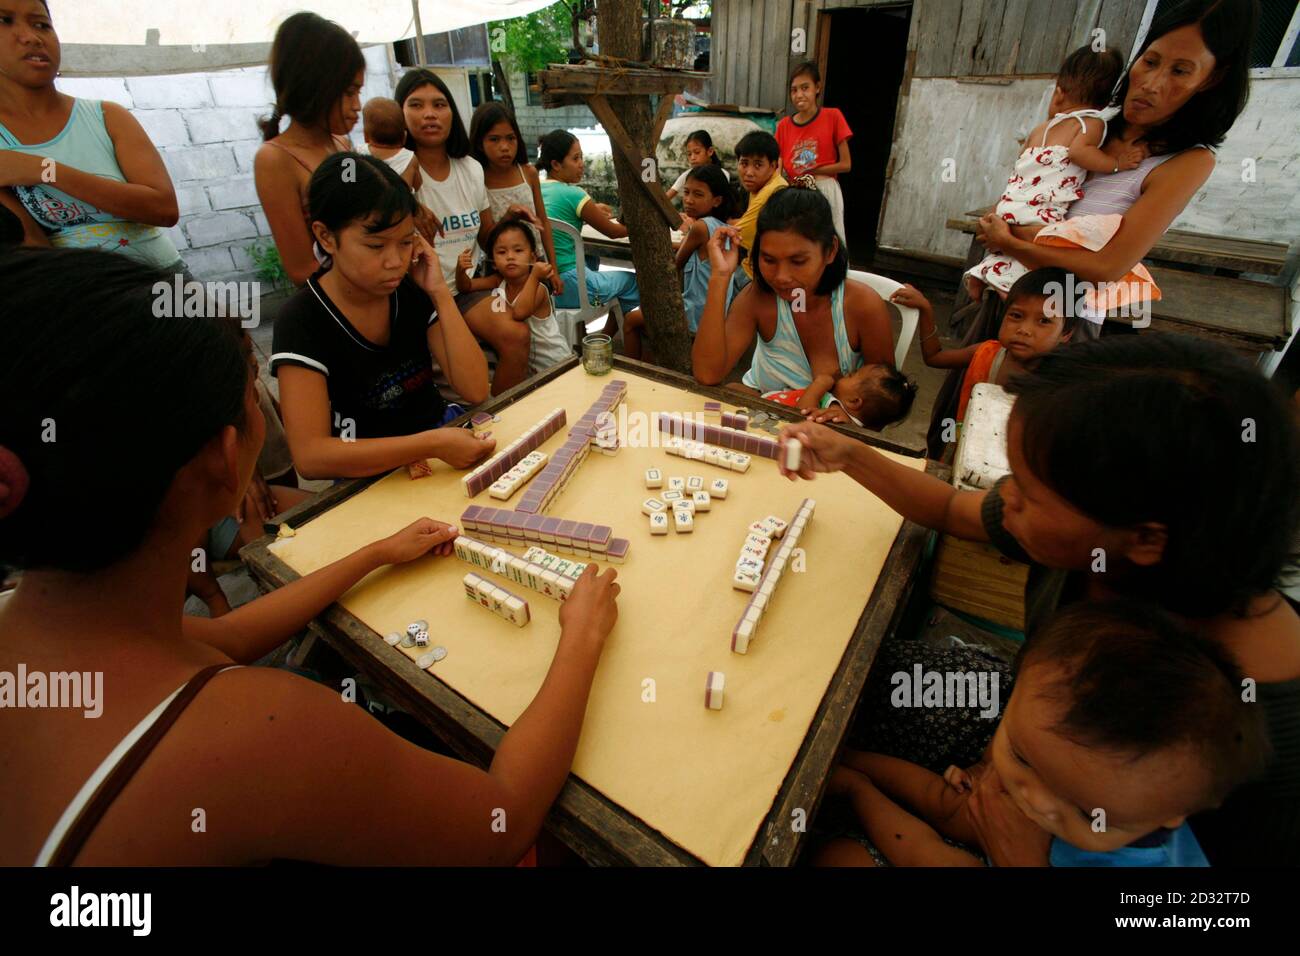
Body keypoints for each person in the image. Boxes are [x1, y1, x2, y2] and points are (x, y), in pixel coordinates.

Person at [0, 246, 622, 866]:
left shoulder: (48, 626)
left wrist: (373, 553)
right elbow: (501, 820)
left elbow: (221, 635)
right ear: (224, 458)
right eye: (254, 386)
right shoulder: (258, 733)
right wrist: (582, 638)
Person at [782, 334, 1300, 867]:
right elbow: (953, 509)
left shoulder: (1269, 752)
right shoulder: (1109, 540)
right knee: (830, 674)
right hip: (1022, 732)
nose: (1004, 495)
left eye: (1027, 492)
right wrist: (850, 454)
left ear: (1146, 537)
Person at [930, 0, 1260, 459]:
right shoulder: (1094, 125)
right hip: (1005, 295)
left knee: (1022, 438)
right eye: (1151, 61)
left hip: (1062, 322)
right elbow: (1031, 187)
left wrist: (1012, 240)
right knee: (961, 405)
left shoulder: (1187, 161)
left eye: (1181, 71)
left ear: (1213, 79)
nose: (1152, 83)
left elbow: (1106, 266)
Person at [816, 601, 1268, 867]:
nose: (1035, 801)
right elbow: (948, 804)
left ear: (1176, 814)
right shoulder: (1088, 785)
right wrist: (849, 761)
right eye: (1023, 757)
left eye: (1085, 811)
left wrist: (859, 792)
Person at [270, 153, 493, 480]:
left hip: (440, 447)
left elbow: (475, 389)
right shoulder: (302, 319)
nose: (395, 261)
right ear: (326, 237)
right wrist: (427, 444)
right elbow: (311, 456)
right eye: (376, 246)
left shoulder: (410, 289)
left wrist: (440, 294)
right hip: (367, 473)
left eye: (405, 243)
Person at [0, 0, 184, 267]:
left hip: (165, 278)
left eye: (42, 25)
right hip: (81, 295)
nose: (32, 37)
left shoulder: (107, 117)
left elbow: (163, 210)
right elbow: (31, 242)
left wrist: (45, 170)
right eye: (4, 21)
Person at [397, 69, 538, 393]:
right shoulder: (393, 171)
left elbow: (486, 234)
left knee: (517, 335)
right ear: (400, 113)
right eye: (416, 105)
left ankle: (500, 417)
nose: (430, 114)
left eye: (440, 104)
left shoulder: (470, 168)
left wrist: (509, 225)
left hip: (468, 289)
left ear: (452, 114)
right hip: (419, 297)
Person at [692, 181, 894, 395]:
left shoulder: (862, 305)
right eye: (769, 260)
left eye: (798, 261)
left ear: (830, 251)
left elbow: (885, 400)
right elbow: (707, 374)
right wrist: (720, 277)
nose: (782, 277)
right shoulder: (758, 298)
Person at [965, 45, 1133, 299]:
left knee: (1003, 249)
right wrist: (1116, 163)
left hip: (1009, 205)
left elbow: (1022, 162)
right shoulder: (1092, 123)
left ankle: (981, 275)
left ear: (1058, 94)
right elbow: (1080, 154)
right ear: (1108, 100)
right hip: (1041, 211)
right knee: (1034, 256)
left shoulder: (1041, 129)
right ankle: (1005, 288)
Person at [253, 11, 364, 287]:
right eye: (350, 92)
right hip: (338, 307)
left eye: (359, 92)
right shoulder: (275, 159)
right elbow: (302, 270)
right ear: (316, 88)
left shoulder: (341, 144)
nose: (358, 105)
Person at [906, 268, 1076, 424]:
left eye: (1044, 321)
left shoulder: (1063, 385)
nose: (1024, 330)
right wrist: (925, 309)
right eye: (1016, 315)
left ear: (1066, 333)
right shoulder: (986, 353)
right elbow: (934, 357)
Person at [536, 129, 646, 360]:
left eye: (581, 157)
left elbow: (569, 211)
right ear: (556, 164)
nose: (581, 164)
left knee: (592, 259)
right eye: (575, 158)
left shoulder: (538, 190)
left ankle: (593, 339)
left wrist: (594, 209)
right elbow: (615, 233)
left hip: (545, 286)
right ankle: (607, 341)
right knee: (633, 281)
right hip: (571, 287)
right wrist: (645, 224)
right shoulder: (574, 194)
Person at [456, 217, 572, 376]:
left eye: (518, 250)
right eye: (502, 252)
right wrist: (460, 271)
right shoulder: (498, 281)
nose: (510, 256)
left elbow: (519, 313)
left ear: (532, 258)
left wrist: (535, 276)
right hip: (532, 370)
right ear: (494, 262)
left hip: (556, 363)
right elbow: (466, 287)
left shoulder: (539, 288)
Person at [468, 101, 562, 297]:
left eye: (510, 138)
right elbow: (485, 239)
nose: (504, 147)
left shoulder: (528, 173)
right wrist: (508, 217)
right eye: (494, 139)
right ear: (479, 142)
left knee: (541, 320)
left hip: (535, 264)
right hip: (500, 270)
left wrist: (553, 267)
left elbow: (543, 222)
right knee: (508, 319)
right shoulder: (476, 179)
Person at [775, 62, 851, 244]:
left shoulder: (833, 117)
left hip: (825, 189)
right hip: (796, 193)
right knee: (801, 244)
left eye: (805, 88)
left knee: (832, 242)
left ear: (817, 88)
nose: (799, 95)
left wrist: (813, 171)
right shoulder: (784, 125)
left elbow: (846, 164)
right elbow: (778, 166)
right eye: (794, 90)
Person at [674, 164, 738, 334]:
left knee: (631, 320)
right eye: (686, 192)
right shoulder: (720, 226)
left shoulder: (701, 227)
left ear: (717, 200)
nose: (688, 200)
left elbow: (674, 265)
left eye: (698, 194)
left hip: (694, 316)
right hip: (715, 316)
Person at [763, 363, 916, 431]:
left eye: (850, 375)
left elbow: (799, 416)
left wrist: (819, 384)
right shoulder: (840, 406)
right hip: (770, 403)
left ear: (854, 401)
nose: (844, 375)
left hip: (769, 417)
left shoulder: (838, 419)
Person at [730, 130, 788, 283]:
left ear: (773, 166)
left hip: (759, 276)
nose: (749, 172)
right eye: (744, 163)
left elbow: (737, 234)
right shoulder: (764, 184)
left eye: (758, 165)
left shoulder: (772, 191)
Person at [664, 129, 729, 206]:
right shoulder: (688, 175)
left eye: (697, 152)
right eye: (689, 154)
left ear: (710, 151)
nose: (693, 157)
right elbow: (666, 198)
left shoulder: (722, 174)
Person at [355, 97, 416, 177]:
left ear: (365, 136)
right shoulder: (409, 158)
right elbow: (418, 184)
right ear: (404, 137)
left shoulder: (358, 152)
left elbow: (349, 179)